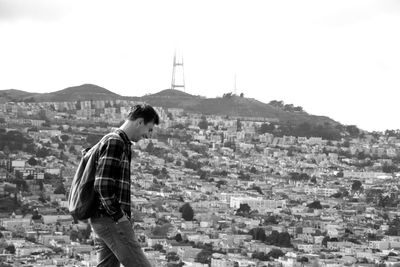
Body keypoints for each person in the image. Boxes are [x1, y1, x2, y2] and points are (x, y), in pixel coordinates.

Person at [89, 104, 159, 267]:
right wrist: (119, 217)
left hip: (103, 219)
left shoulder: (117, 141)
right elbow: (103, 185)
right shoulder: (116, 142)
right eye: (149, 129)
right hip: (111, 221)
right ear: (139, 122)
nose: (148, 136)